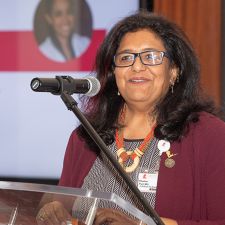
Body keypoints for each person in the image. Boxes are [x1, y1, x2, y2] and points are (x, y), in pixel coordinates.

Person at [36, 11, 225, 225]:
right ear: (114, 73)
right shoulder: (85, 137)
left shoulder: (210, 136)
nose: (136, 66)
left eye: (150, 56)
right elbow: (59, 204)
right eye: (126, 58)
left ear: (174, 70)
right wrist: (49, 209)